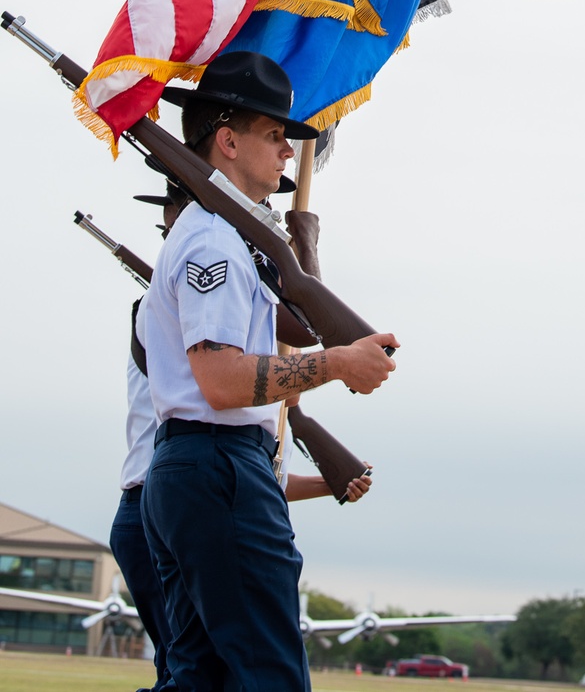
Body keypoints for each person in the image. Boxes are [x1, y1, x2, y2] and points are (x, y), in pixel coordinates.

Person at [138, 52, 398, 692]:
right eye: (274, 134)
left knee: (199, 679)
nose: (287, 153)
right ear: (227, 140)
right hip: (220, 465)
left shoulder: (220, 237)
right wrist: (335, 362)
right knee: (271, 678)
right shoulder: (214, 243)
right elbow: (222, 382)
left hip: (198, 468)